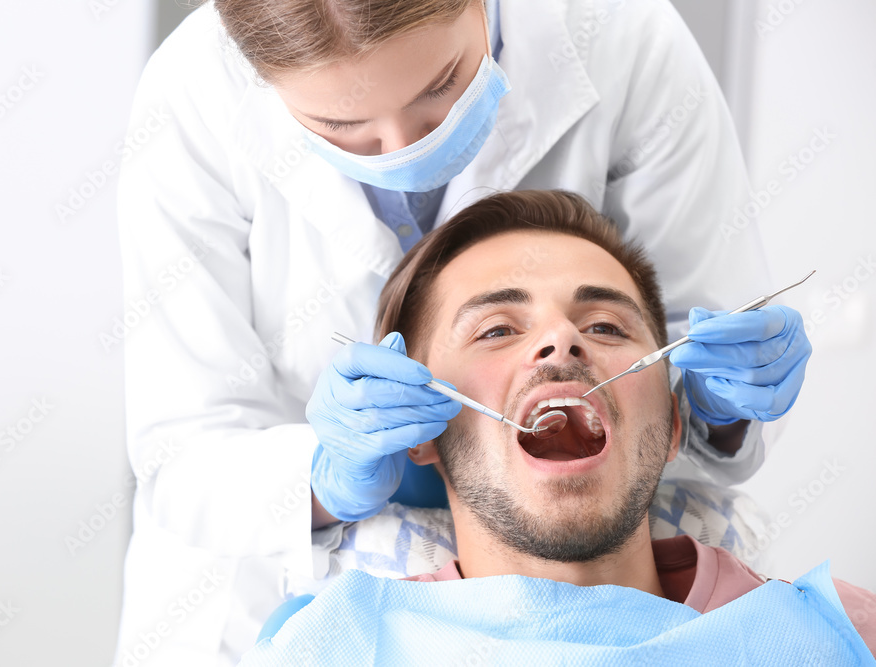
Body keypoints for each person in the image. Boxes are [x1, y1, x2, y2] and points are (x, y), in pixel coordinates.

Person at [114, 1, 812, 663]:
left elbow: (699, 325)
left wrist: (719, 407)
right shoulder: (193, 100)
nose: (400, 149)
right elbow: (185, 447)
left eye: (441, 85)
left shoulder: (620, 37)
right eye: (339, 126)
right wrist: (329, 473)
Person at [243, 190, 875, 664]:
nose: (562, 340)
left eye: (606, 326)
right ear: (421, 429)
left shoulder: (841, 635)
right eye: (496, 329)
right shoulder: (331, 644)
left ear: (677, 419)